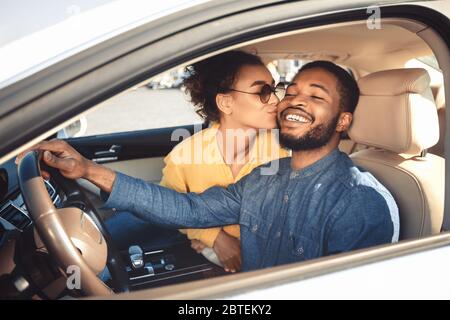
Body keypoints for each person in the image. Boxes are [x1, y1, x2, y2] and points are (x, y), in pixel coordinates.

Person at [19, 60, 399, 271]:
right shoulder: (264, 180)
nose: (290, 102)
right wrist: (87, 169)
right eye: (292, 92)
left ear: (344, 121)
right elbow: (186, 207)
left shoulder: (359, 201)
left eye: (316, 96)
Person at [104, 50, 289, 273]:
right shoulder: (184, 155)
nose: (276, 100)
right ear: (225, 102)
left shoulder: (284, 150)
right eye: (263, 91)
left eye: (274, 88)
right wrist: (214, 237)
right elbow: (168, 209)